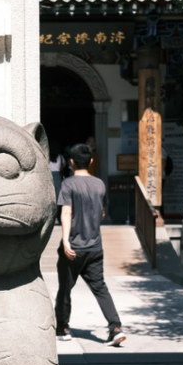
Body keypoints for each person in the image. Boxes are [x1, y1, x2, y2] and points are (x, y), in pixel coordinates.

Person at [55, 142, 126, 346]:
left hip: (74, 248)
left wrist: (65, 239)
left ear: (71, 162)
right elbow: (102, 212)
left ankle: (63, 328)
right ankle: (115, 327)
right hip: (94, 247)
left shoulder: (68, 184)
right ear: (91, 161)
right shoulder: (100, 185)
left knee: (65, 289)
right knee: (100, 288)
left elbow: (66, 212)